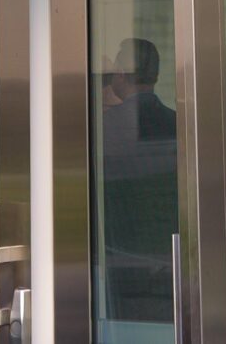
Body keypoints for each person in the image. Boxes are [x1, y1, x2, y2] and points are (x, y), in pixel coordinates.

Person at [98, 38, 179, 323]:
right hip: (173, 261)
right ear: (156, 76)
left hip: (124, 262)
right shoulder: (178, 123)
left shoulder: (104, 127)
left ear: (121, 73)